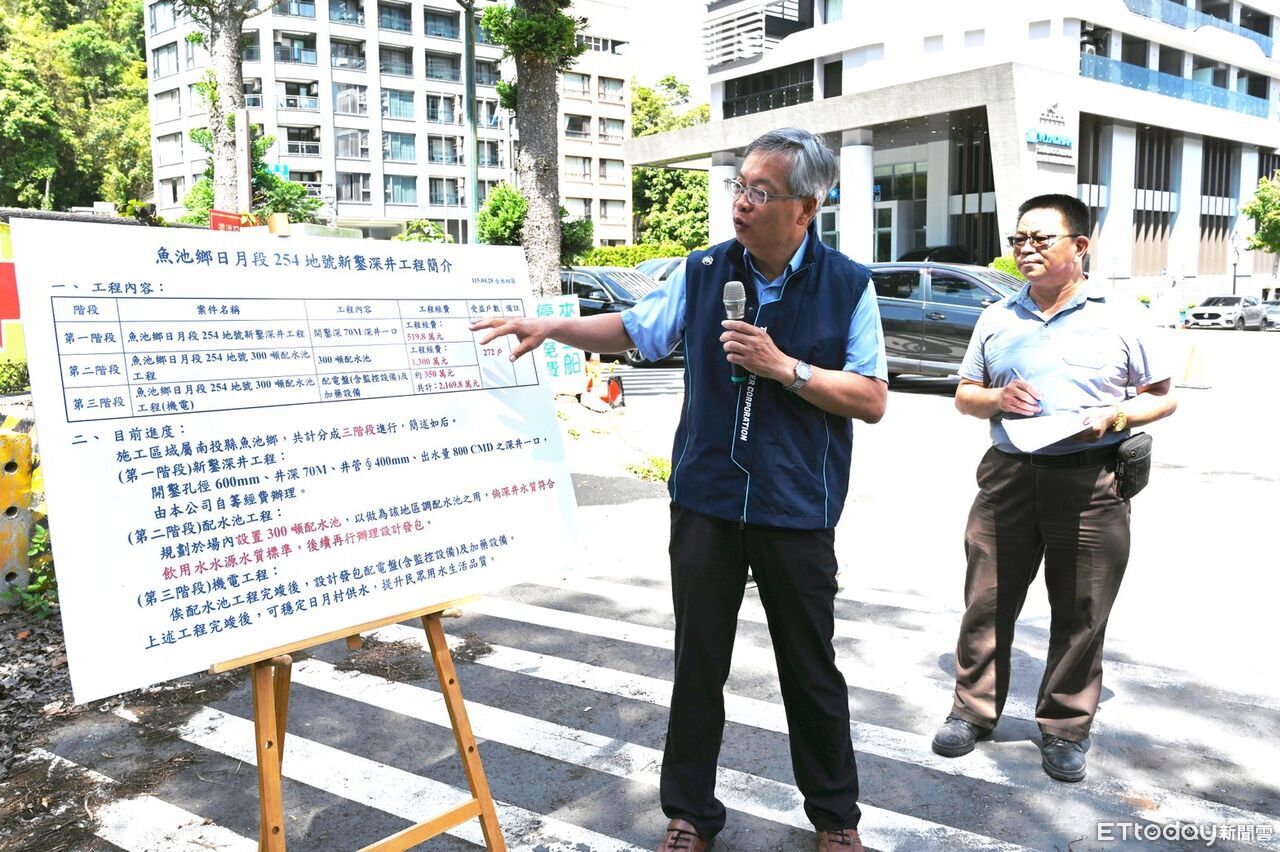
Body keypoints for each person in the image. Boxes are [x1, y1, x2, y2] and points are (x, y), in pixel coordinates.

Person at [473, 128, 887, 852]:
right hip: (707, 501)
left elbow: (872, 397)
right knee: (698, 664)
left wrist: (785, 368)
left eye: (761, 192)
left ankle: (836, 818)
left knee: (810, 669)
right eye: (739, 187)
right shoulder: (702, 271)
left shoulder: (848, 284)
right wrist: (552, 324)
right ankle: (690, 813)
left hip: (798, 506)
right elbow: (636, 330)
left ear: (806, 208)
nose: (742, 204)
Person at [929, 193, 1177, 782]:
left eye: (1041, 239)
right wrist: (997, 397)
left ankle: (1065, 726)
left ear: (1080, 246)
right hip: (1008, 477)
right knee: (987, 600)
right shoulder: (998, 317)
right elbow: (965, 395)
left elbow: (1162, 397)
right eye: (1018, 239)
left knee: (1081, 608)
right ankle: (972, 711)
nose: (1026, 249)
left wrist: (1118, 415)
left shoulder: (1122, 316)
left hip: (1091, 481)